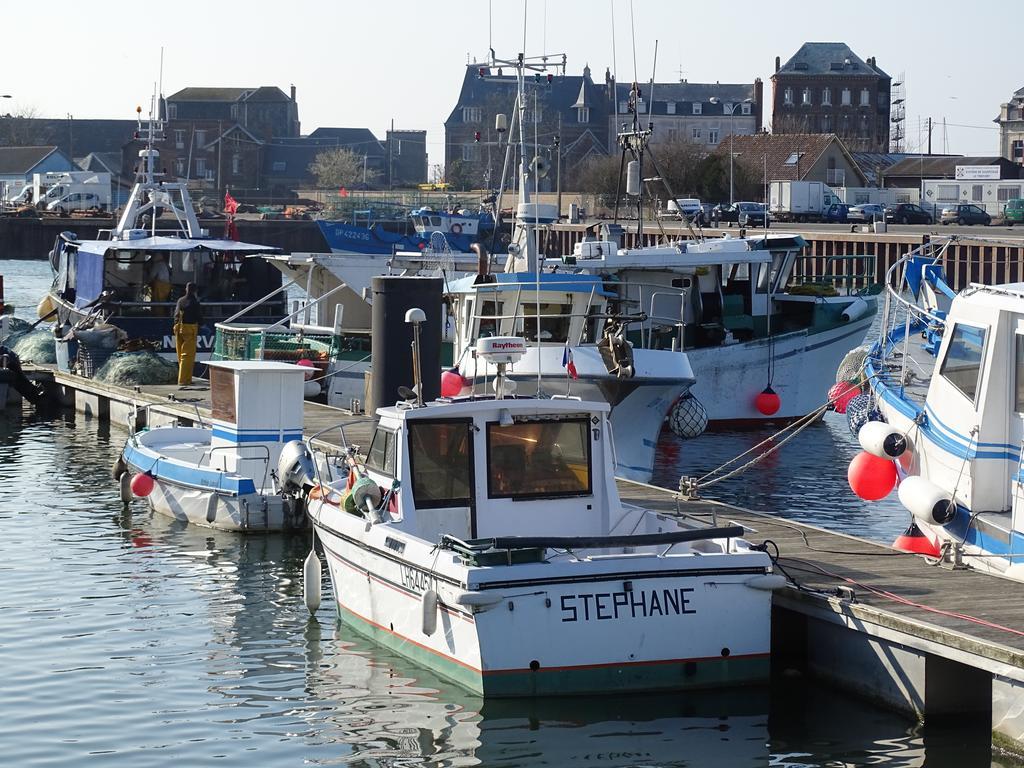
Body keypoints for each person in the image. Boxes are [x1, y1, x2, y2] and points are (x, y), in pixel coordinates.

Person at [173, 283, 202, 386]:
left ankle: (185, 378)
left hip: (178, 328)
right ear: (195, 291)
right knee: (187, 356)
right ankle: (184, 380)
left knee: (180, 354)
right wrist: (202, 325)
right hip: (190, 329)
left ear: (186, 289)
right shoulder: (195, 302)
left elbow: (176, 314)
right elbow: (199, 316)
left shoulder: (180, 301)